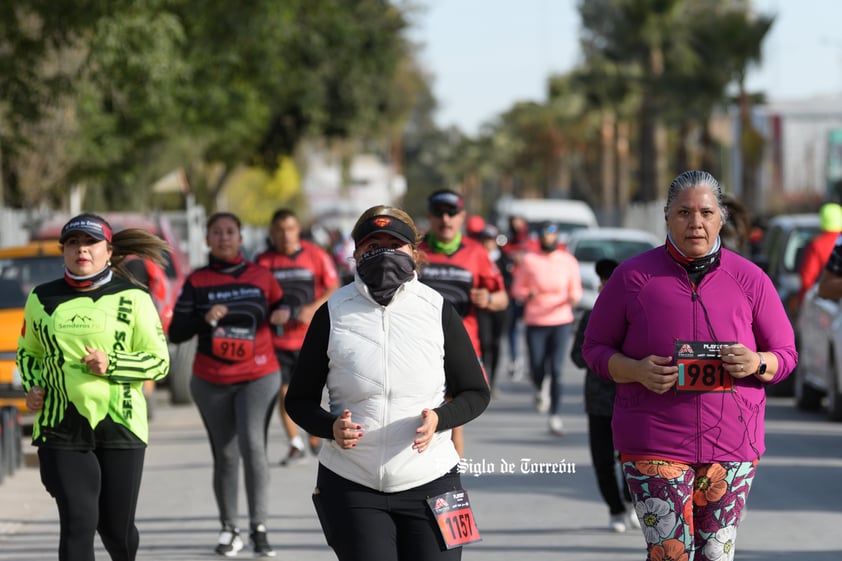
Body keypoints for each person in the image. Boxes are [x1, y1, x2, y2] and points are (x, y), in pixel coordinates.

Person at [582, 170, 797, 560]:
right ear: (666, 216)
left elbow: (785, 355)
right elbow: (595, 348)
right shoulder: (632, 277)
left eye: (705, 212)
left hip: (732, 442)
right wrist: (635, 369)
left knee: (715, 554)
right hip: (653, 438)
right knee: (670, 553)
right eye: (683, 212)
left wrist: (756, 362)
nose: (695, 222)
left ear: (721, 218)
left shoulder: (751, 279)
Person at [285, 205, 490, 561]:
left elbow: (476, 391)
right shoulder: (332, 312)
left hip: (433, 479)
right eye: (371, 245)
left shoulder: (438, 310)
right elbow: (298, 399)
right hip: (352, 484)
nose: (383, 254)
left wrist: (441, 419)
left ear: (414, 252)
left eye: (394, 245)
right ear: (355, 254)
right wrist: (330, 427)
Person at [17, 213, 171, 561]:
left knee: (116, 532)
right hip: (61, 426)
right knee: (78, 521)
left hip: (121, 424)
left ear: (108, 250)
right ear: (64, 252)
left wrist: (111, 364)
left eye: (90, 243)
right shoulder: (42, 298)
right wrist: (34, 386)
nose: (81, 250)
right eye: (73, 243)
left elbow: (159, 361)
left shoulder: (135, 297)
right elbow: (29, 353)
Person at [169, 211, 289, 558]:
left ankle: (260, 528)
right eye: (216, 232)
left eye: (230, 232)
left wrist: (282, 313)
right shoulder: (197, 281)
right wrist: (204, 319)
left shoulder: (260, 276)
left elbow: (281, 303)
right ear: (207, 239)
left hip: (259, 374)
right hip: (211, 380)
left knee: (253, 445)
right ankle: (229, 529)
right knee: (225, 454)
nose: (223, 238)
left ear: (240, 238)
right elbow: (177, 331)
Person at [417, 189, 506, 458]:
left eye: (452, 213)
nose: (446, 219)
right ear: (430, 217)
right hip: (420, 344)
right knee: (422, 409)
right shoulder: (415, 251)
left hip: (462, 344)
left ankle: (452, 469)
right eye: (439, 213)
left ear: (462, 217)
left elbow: (502, 298)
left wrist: (488, 298)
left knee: (456, 415)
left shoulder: (476, 253)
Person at [255, 208, 340, 466]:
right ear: (272, 232)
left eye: (290, 229)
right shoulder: (263, 261)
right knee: (284, 392)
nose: (285, 235)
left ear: (298, 230)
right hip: (276, 341)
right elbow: (255, 296)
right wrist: (269, 312)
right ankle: (295, 442)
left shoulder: (316, 255)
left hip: (309, 339)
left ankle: (313, 433)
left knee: (310, 392)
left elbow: (333, 287)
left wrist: (312, 309)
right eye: (279, 230)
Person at [570, 258, 639, 533]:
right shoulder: (590, 316)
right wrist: (602, 357)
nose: (603, 289)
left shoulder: (636, 314)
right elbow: (576, 356)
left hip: (631, 398)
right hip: (598, 401)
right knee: (602, 460)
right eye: (601, 284)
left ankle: (630, 502)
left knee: (630, 458)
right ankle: (615, 509)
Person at [510, 220, 581, 436]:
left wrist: (573, 299)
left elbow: (575, 290)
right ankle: (540, 386)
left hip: (561, 320)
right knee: (538, 367)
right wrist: (526, 295)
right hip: (536, 321)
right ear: (539, 237)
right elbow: (517, 289)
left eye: (552, 233)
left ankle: (555, 416)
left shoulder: (568, 261)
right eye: (544, 234)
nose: (548, 238)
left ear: (557, 236)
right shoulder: (529, 260)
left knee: (557, 370)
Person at [469, 222, 510, 396]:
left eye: (491, 239)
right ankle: (483, 380)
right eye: (485, 239)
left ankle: (493, 379)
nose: (488, 243)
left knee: (495, 343)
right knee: (484, 343)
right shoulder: (476, 256)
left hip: (499, 309)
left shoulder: (503, 258)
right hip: (481, 308)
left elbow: (509, 283)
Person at [799, 202, 842, 303]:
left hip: (824, 307)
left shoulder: (817, 245)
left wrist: (804, 301)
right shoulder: (838, 242)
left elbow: (807, 279)